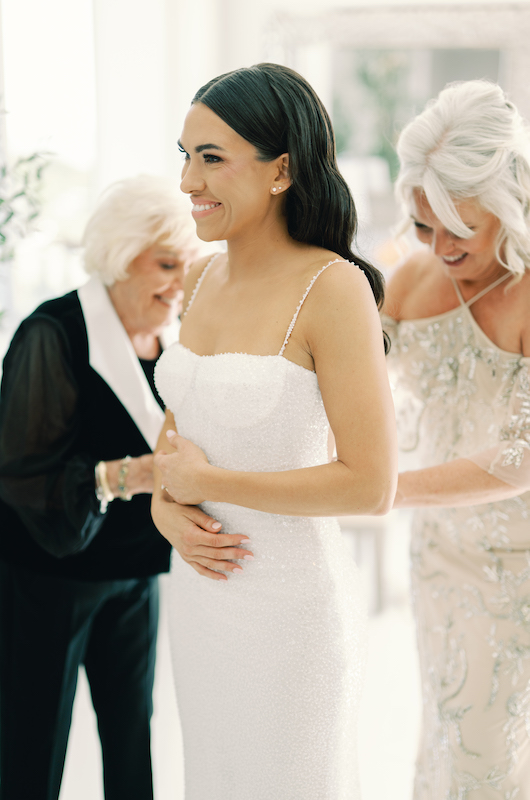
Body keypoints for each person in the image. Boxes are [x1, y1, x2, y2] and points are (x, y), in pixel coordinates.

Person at [150, 62, 397, 799]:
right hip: (199, 602)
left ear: (281, 169)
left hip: (290, 622)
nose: (189, 182)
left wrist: (210, 485)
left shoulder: (333, 288)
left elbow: (371, 485)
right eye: (186, 155)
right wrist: (167, 507)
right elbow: (177, 438)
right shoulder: (198, 279)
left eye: (213, 158)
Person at [0, 175, 199, 800]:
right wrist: (128, 475)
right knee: (33, 746)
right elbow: (20, 475)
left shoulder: (173, 338)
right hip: (50, 581)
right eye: (167, 264)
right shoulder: (52, 334)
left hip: (136, 575)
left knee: (133, 740)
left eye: (187, 266)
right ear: (119, 255)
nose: (181, 283)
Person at [383, 80, 530, 798]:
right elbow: (327, 370)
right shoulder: (405, 282)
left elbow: (521, 456)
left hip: (517, 571)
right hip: (435, 561)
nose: (437, 248)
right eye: (420, 226)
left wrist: (385, 490)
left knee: (492, 759)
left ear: (505, 210)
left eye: (458, 231)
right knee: (443, 733)